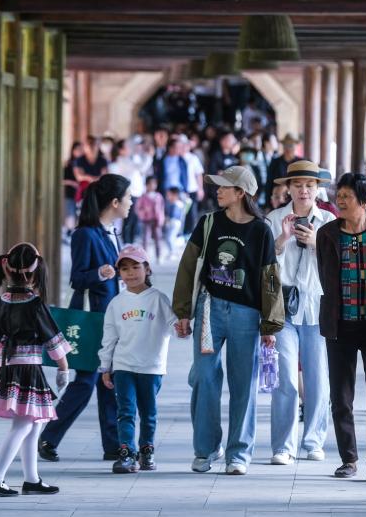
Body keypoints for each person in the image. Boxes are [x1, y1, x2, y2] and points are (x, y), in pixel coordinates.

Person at [172, 166, 284, 475]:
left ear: (241, 193)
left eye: (224, 186)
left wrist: (270, 324)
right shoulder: (208, 222)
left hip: (246, 314)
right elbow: (187, 266)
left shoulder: (261, 230)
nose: (218, 190)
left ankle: (239, 453)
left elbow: (270, 279)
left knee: (243, 383)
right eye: (217, 186)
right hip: (209, 310)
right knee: (204, 376)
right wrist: (183, 311)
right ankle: (206, 448)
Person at [39, 174, 131, 463]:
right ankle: (48, 436)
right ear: (114, 202)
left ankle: (112, 444)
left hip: (112, 318)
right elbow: (77, 279)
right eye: (128, 198)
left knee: (108, 380)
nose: (131, 203)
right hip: (93, 319)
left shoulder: (112, 232)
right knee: (88, 380)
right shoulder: (85, 234)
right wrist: (99, 274)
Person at [0, 242, 72, 497]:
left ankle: (32, 479)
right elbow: (53, 339)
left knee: (35, 423)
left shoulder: (1, 302)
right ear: (36, 272)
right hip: (27, 370)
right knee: (24, 425)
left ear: (8, 269)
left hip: (9, 368)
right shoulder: (35, 304)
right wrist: (64, 369)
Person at [315, 172, 366, 481]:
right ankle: (348, 459)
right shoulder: (327, 235)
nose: (340, 201)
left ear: (365, 201)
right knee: (341, 396)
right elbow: (324, 275)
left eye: (347, 196)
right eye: (339, 195)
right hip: (339, 324)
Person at [265, 161, 335, 465]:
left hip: (317, 307)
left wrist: (317, 243)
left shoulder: (329, 220)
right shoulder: (273, 219)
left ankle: (314, 440)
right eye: (298, 185)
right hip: (283, 307)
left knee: (318, 377)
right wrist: (282, 239)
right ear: (288, 189)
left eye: (309, 185)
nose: (304, 190)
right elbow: (264, 265)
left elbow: (339, 264)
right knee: (286, 378)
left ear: (317, 189)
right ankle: (283, 446)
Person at [98, 245, 181, 474]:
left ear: (147, 269)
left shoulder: (158, 299)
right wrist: (105, 367)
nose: (131, 273)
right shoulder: (116, 303)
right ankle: (127, 453)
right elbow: (109, 337)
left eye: (136, 267)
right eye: (125, 269)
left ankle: (147, 450)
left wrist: (182, 329)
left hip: (151, 367)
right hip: (123, 365)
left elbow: (173, 325)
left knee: (148, 413)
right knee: (125, 411)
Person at [110, 139, 150, 244]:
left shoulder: (129, 159)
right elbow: (141, 167)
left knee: (133, 219)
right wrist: (149, 155)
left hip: (136, 193)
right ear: (121, 150)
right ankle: (127, 242)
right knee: (129, 219)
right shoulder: (122, 160)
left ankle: (130, 242)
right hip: (129, 194)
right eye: (127, 146)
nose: (130, 148)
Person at [135, 176, 166, 259]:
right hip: (147, 220)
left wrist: (162, 218)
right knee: (146, 238)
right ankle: (144, 256)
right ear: (146, 185)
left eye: (154, 183)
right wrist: (143, 213)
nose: (152, 185)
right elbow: (138, 208)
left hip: (157, 220)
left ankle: (159, 256)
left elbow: (162, 208)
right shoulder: (143, 197)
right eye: (150, 184)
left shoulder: (159, 196)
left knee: (158, 238)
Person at [266, 134, 300, 203]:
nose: (288, 148)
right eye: (286, 145)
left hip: (296, 198)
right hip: (277, 200)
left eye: (291, 145)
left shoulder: (300, 162)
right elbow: (269, 183)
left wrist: (287, 187)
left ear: (295, 146)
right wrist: (268, 203)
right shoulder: (275, 162)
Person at [62, 142, 83, 233]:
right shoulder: (68, 164)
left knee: (79, 216)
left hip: (82, 194)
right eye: (78, 149)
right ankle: (69, 233)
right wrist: (73, 183)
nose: (80, 152)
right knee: (70, 215)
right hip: (70, 193)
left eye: (81, 149)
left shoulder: (83, 163)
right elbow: (62, 180)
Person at [163, 187, 186, 258]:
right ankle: (172, 252)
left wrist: (168, 219)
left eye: (169, 195)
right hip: (171, 224)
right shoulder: (172, 204)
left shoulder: (178, 204)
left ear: (175, 195)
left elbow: (174, 216)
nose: (167, 197)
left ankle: (173, 252)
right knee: (168, 238)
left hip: (175, 224)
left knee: (170, 238)